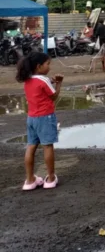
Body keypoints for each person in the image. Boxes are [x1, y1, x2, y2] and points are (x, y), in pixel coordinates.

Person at [17, 52, 63, 190]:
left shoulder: (27, 80)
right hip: (45, 117)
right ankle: (50, 178)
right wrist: (59, 83)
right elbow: (53, 96)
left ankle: (30, 180)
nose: (49, 67)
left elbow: (38, 89)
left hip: (31, 117)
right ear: (39, 66)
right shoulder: (44, 80)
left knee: (31, 146)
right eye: (47, 64)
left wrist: (50, 81)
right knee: (47, 146)